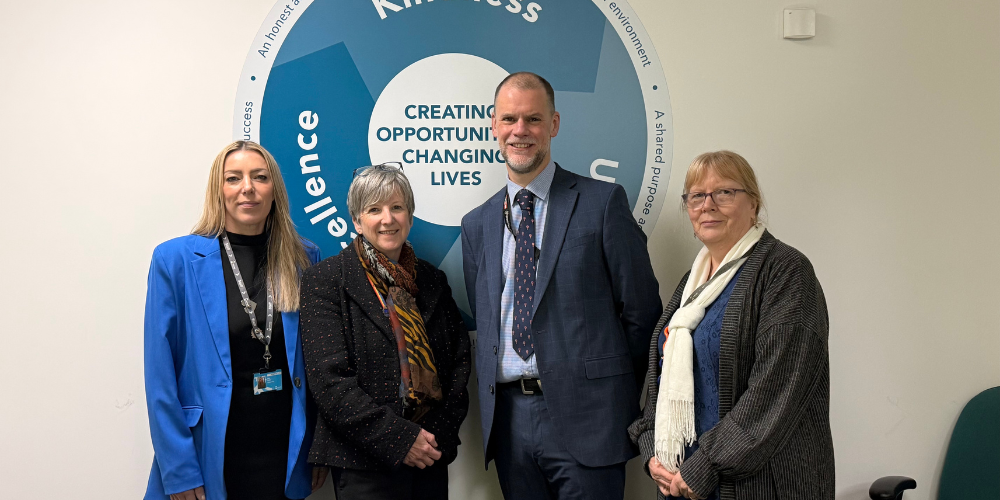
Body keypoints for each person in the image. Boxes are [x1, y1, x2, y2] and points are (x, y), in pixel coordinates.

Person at [460, 72, 662, 500]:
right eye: (509, 119)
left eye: (533, 119)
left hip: (591, 418)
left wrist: (609, 393)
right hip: (511, 421)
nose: (520, 131)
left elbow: (642, 311)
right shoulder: (476, 224)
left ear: (553, 124)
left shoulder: (602, 203)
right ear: (493, 126)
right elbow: (487, 321)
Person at [628, 151, 834, 500]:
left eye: (724, 192)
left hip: (762, 484)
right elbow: (662, 376)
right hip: (683, 484)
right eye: (696, 195)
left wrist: (703, 466)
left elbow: (776, 390)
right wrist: (653, 450)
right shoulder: (691, 284)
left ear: (753, 204)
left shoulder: (786, 271)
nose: (707, 205)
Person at [144, 141, 326, 500]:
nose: (248, 188)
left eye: (260, 177)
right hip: (209, 453)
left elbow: (318, 361)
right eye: (234, 178)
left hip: (284, 453)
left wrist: (319, 447)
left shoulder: (305, 258)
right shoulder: (175, 261)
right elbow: (159, 379)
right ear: (219, 190)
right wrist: (178, 470)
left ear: (274, 189)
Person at [299, 163, 471, 500]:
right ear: (357, 220)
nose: (387, 219)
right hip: (364, 464)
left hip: (429, 456)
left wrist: (434, 438)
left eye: (396, 207)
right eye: (374, 209)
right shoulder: (326, 280)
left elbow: (459, 364)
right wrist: (400, 439)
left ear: (409, 215)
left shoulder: (432, 280)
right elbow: (329, 383)